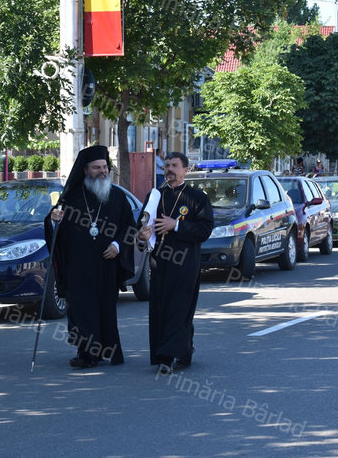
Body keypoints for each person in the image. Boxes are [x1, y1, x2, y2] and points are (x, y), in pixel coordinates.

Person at [44, 145, 136, 369]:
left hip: (107, 264)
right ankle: (86, 353)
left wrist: (117, 245)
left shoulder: (117, 196)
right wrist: (54, 219)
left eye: (105, 167)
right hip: (79, 266)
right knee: (82, 309)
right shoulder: (72, 197)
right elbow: (55, 226)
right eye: (97, 167)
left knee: (105, 309)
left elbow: (130, 227)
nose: (103, 171)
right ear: (85, 170)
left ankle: (106, 350)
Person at [137, 151, 214, 374]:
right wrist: (141, 236)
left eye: (174, 166)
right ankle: (183, 350)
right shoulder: (154, 197)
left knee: (178, 310)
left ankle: (167, 357)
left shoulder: (198, 198)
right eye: (167, 165)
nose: (169, 169)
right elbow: (140, 229)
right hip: (159, 264)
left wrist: (176, 225)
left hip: (185, 264)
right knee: (161, 310)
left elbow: (204, 230)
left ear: (185, 170)